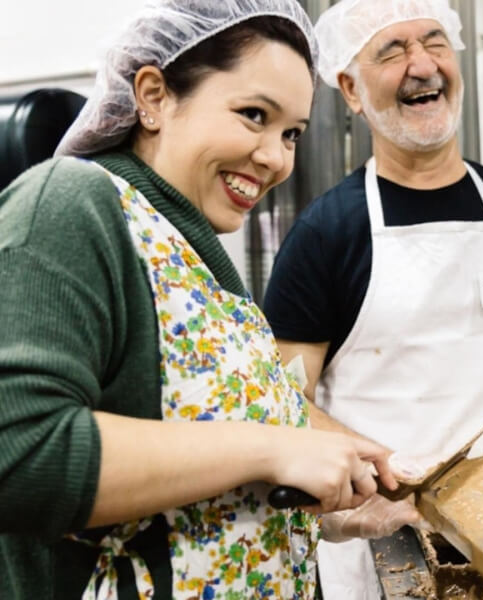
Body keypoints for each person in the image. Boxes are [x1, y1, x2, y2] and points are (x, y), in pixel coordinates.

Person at [0, 1, 401, 598]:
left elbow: (195, 454)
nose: (275, 157)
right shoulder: (70, 204)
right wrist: (272, 448)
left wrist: (325, 469)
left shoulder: (200, 262)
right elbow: (21, 455)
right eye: (253, 114)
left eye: (290, 132)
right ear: (155, 96)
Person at [262, 0, 483, 597]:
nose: (421, 65)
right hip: (391, 545)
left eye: (434, 43)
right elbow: (285, 395)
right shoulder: (326, 233)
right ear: (350, 88)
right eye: (392, 51)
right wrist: (373, 473)